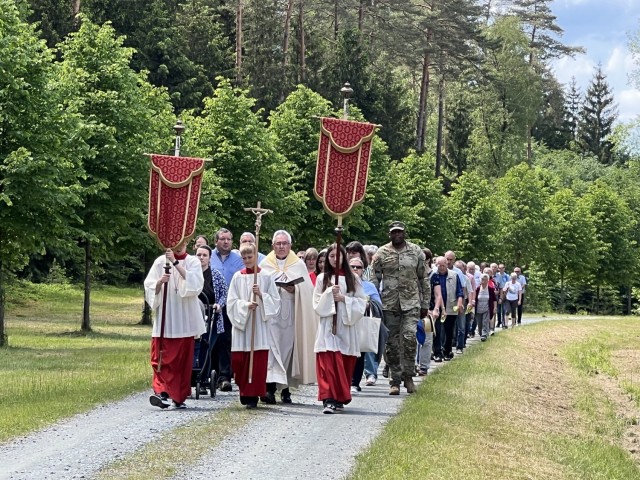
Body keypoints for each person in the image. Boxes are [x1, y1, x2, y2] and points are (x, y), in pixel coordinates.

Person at [370, 221, 430, 395]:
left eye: (400, 232)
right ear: (389, 234)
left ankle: (408, 376)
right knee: (392, 344)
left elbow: (423, 279)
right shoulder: (381, 253)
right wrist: (375, 300)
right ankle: (394, 381)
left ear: (404, 233)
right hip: (389, 304)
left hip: (411, 303)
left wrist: (425, 302)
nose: (397, 235)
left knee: (410, 337)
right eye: (394, 232)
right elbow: (374, 278)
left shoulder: (416, 252)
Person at [144, 240, 205, 409]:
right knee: (160, 358)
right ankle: (162, 393)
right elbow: (149, 286)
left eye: (182, 242)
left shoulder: (192, 261)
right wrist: (159, 283)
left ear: (186, 242)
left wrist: (176, 263)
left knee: (181, 362)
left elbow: (195, 285)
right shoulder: (160, 262)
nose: (179, 246)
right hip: (166, 316)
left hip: (184, 318)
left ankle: (178, 397)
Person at [259, 230, 317, 403]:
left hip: (290, 312)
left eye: (284, 243)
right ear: (273, 246)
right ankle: (269, 388)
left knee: (288, 350)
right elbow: (260, 285)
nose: (281, 246)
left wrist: (295, 289)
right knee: (271, 350)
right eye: (278, 244)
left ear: (290, 246)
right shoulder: (266, 264)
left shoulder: (297, 265)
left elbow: (307, 290)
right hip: (271, 314)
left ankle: (285, 390)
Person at [313, 244, 367, 413]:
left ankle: (339, 397)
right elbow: (316, 304)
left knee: (343, 363)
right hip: (328, 327)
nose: (335, 259)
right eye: (331, 256)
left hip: (345, 327)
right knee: (328, 363)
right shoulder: (322, 278)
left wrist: (344, 299)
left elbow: (362, 303)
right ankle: (328, 398)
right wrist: (329, 294)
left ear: (344, 257)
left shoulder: (354, 279)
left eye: (338, 256)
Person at [227, 244, 281, 409]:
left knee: (256, 361)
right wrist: (245, 306)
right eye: (244, 258)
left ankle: (253, 395)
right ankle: (244, 390)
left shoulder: (265, 277)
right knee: (239, 360)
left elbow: (275, 301)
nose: (247, 260)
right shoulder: (237, 277)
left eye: (250, 257)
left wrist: (261, 295)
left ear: (256, 256)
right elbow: (231, 302)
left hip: (258, 325)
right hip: (242, 325)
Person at [209, 228, 245, 392]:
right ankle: (208, 373)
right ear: (216, 241)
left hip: (230, 305)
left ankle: (225, 376)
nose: (226, 242)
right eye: (222, 239)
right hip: (211, 305)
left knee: (226, 340)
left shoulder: (239, 260)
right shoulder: (208, 257)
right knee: (209, 339)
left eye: (229, 239)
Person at [193, 245, 228, 394]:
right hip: (193, 315)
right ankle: (192, 374)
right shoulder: (191, 274)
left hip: (211, 315)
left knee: (207, 345)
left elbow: (224, 294)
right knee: (195, 346)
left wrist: (219, 305)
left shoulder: (216, 275)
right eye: (199, 255)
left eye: (204, 255)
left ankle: (204, 376)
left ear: (209, 257)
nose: (201, 258)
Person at [349, 256, 384, 390]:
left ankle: (355, 382)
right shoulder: (343, 282)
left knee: (360, 353)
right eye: (352, 267)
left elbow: (378, 304)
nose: (355, 269)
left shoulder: (368, 286)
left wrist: (369, 304)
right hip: (345, 323)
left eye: (358, 267)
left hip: (362, 322)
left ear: (363, 270)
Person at [430, 256, 463, 362]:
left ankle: (447, 351)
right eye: (440, 265)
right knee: (437, 331)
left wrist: (459, 303)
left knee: (449, 331)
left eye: (444, 265)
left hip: (450, 306)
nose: (442, 267)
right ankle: (437, 352)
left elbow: (459, 291)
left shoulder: (454, 275)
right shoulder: (433, 275)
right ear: (437, 265)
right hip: (436, 307)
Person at [475, 273, 496, 341]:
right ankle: (481, 333)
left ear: (488, 281)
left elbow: (494, 299)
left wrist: (494, 308)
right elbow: (474, 298)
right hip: (478, 308)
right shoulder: (477, 289)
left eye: (485, 280)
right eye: (482, 280)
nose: (483, 282)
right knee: (480, 323)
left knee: (485, 322)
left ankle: (484, 334)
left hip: (487, 308)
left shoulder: (490, 289)